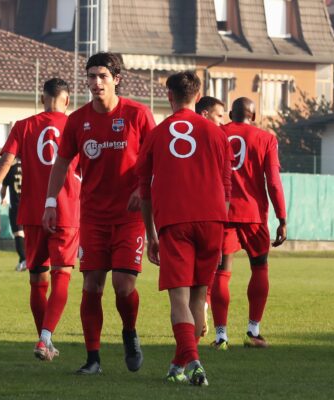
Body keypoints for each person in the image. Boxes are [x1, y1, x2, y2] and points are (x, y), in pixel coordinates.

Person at [43, 53, 156, 375]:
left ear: (117, 79)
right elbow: (62, 162)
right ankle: (93, 359)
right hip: (92, 216)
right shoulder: (78, 120)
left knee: (123, 285)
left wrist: (142, 188)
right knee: (92, 285)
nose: (96, 83)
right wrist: (51, 203)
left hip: (130, 216)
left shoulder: (138, 114)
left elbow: (156, 157)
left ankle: (129, 333)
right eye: (91, 76)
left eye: (102, 76)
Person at [0, 78, 80, 362]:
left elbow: (5, 162)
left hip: (33, 212)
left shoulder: (24, 126)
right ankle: (45, 338)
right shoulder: (75, 125)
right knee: (62, 274)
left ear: (42, 98)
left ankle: (44, 339)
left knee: (37, 279)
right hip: (67, 210)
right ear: (67, 100)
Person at [138, 71, 232, 386]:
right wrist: (222, 220)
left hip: (174, 220)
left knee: (178, 298)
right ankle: (178, 364)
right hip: (212, 219)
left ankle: (193, 361)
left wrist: (151, 234)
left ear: (169, 96)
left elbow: (145, 190)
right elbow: (227, 183)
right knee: (198, 295)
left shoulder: (156, 133)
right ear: (197, 96)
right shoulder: (217, 132)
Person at [210, 97, 287, 350]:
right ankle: (253, 332)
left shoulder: (217, 133)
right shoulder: (266, 139)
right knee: (260, 268)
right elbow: (273, 182)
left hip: (223, 213)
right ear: (253, 116)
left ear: (231, 113)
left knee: (222, 273)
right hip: (253, 215)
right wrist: (282, 218)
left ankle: (221, 336)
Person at [194, 95, 225, 337]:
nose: (222, 121)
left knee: (184, 277)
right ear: (205, 114)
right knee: (211, 268)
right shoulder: (215, 137)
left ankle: (190, 316)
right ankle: (202, 306)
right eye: (219, 115)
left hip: (177, 216)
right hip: (210, 214)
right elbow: (225, 179)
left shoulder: (173, 133)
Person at [0, 159, 27, 271]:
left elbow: (3, 189)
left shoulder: (11, 169)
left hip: (16, 206)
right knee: (28, 234)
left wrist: (3, 198)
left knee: (18, 234)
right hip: (28, 206)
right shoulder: (29, 167)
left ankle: (25, 260)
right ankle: (22, 262)